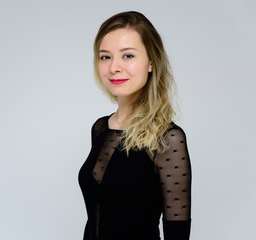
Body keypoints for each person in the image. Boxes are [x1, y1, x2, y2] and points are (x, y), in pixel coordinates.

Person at [78, 11, 192, 240]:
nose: (114, 68)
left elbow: (177, 234)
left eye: (128, 56)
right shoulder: (101, 128)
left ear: (151, 62)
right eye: (105, 57)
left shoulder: (168, 140)